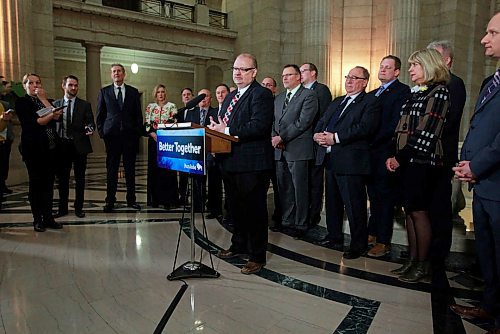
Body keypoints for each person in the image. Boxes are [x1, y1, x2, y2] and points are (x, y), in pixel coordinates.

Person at [450, 12, 500, 333]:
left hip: (496, 183)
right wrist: (469, 163)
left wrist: (477, 164)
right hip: (483, 185)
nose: (484, 39)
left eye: (493, 32)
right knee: (489, 256)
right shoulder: (490, 81)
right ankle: (490, 308)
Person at [386, 48, 450, 283]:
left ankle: (423, 265)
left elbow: (427, 133)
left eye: (415, 65)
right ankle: (412, 261)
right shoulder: (416, 94)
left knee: (419, 212)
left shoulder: (439, 92)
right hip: (407, 161)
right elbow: (400, 128)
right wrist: (392, 154)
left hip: (423, 162)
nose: (411, 70)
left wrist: (399, 158)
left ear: (429, 66)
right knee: (409, 212)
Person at [208, 53, 274, 275]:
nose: (237, 72)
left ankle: (257, 256)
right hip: (230, 161)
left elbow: (259, 126)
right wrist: (218, 135)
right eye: (235, 68)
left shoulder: (261, 94)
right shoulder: (230, 96)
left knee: (254, 211)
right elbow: (223, 125)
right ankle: (238, 245)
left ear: (254, 72)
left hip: (252, 164)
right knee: (235, 209)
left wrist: (224, 130)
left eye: (243, 69)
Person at [314, 66, 380, 259]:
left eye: (354, 77)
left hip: (352, 161)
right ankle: (334, 236)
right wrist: (317, 135)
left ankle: (358, 244)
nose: (349, 81)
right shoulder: (337, 101)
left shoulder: (370, 102)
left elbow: (364, 128)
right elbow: (322, 121)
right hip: (330, 158)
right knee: (333, 202)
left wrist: (336, 138)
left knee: (354, 205)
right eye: (347, 77)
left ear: (365, 82)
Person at [426, 40, 467, 267]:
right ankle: (424, 250)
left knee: (440, 210)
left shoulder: (455, 84)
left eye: (434, 56)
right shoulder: (430, 85)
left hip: (441, 156)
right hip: (425, 156)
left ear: (447, 60)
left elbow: (448, 122)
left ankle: (437, 256)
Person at [366, 56, 411, 257]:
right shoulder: (372, 93)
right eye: (381, 66)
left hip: (386, 151)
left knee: (385, 197)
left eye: (387, 67)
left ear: (397, 72)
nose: (383, 70)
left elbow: (395, 123)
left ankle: (384, 241)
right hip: (369, 154)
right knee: (373, 196)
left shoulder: (402, 91)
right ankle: (372, 232)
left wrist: (370, 138)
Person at [272, 64, 318, 237]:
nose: (284, 78)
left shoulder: (309, 95)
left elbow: (303, 122)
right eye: (283, 75)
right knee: (284, 188)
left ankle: (301, 223)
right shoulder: (279, 98)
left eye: (289, 75)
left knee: (300, 189)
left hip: (298, 149)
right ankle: (287, 220)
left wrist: (282, 137)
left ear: (299, 77)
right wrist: (274, 138)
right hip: (280, 150)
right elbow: (273, 121)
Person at [15, 73, 63, 231]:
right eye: (31, 83)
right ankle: (37, 219)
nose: (35, 85)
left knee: (49, 185)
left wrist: (44, 101)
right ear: (25, 86)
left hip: (51, 148)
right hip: (33, 149)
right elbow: (37, 122)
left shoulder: (47, 101)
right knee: (36, 184)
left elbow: (57, 118)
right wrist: (50, 114)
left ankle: (48, 217)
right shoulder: (22, 102)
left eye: (38, 82)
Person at [96, 63, 143, 212]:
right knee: (111, 170)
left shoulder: (133, 92)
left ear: (124, 74)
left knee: (130, 170)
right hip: (112, 137)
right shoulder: (104, 92)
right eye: (114, 71)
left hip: (129, 136)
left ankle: (131, 200)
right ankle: (110, 200)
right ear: (111, 75)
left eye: (119, 71)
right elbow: (100, 115)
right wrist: (102, 133)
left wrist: (136, 133)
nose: (116, 73)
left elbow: (138, 115)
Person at [53, 75, 95, 219]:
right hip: (62, 146)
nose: (73, 88)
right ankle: (62, 208)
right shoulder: (55, 104)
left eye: (76, 85)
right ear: (63, 86)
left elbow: (90, 123)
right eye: (70, 85)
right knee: (62, 179)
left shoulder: (85, 105)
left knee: (80, 178)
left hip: (79, 147)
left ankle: (79, 208)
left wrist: (89, 128)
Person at [300, 63, 332, 228]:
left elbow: (324, 116)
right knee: (303, 183)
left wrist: (315, 134)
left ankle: (313, 216)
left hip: (315, 143)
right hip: (301, 145)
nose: (300, 74)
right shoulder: (301, 92)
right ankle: (304, 215)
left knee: (315, 182)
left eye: (303, 71)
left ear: (313, 73)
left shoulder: (321, 90)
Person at [144, 84, 179, 209]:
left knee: (167, 170)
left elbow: (173, 122)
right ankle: (155, 199)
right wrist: (154, 135)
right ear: (155, 94)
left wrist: (163, 136)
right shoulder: (150, 107)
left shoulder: (172, 107)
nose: (161, 94)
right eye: (158, 92)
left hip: (168, 142)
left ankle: (168, 200)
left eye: (163, 92)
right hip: (153, 142)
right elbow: (147, 124)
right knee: (155, 170)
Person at [183, 88, 218, 212]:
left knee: (213, 180)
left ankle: (213, 207)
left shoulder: (216, 112)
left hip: (211, 151)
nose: (203, 98)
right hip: (196, 151)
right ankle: (198, 205)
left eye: (206, 96)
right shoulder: (191, 113)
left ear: (211, 99)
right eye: (201, 96)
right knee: (197, 180)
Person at [261, 76, 282, 230]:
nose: (266, 87)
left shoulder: (279, 102)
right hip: (260, 152)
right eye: (263, 84)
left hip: (276, 149)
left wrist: (274, 137)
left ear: (274, 89)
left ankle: (278, 216)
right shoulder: (257, 101)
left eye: (269, 85)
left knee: (278, 186)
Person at [177, 87, 194, 205]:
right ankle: (182, 196)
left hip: (194, 146)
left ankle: (196, 198)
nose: (186, 96)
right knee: (182, 174)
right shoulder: (179, 112)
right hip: (182, 147)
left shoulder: (198, 111)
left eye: (188, 94)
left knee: (194, 175)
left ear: (192, 96)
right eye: (184, 95)